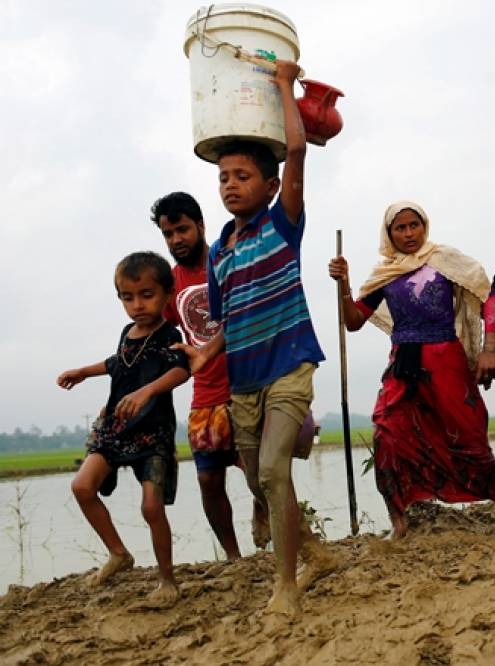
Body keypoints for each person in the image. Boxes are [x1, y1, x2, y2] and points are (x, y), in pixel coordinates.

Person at [175, 60, 332, 615]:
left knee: (272, 470)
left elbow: (297, 151)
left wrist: (285, 86)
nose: (231, 185)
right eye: (223, 178)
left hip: (290, 364)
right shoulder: (218, 254)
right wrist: (204, 352)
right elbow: (229, 319)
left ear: (269, 186)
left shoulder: (282, 223)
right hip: (243, 379)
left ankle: (286, 585)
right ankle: (315, 552)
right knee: (256, 479)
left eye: (242, 177)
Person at [327, 201, 495, 538]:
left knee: (469, 438)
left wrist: (490, 349)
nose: (408, 233)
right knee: (387, 435)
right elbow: (354, 322)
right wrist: (344, 285)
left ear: (424, 226)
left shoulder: (445, 261)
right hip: (403, 364)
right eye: (399, 228)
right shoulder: (386, 274)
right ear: (389, 234)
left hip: (446, 359)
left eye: (413, 225)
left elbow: (487, 296)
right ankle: (399, 520)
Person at [57, 252, 190, 608]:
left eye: (146, 295)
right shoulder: (126, 333)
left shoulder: (168, 334)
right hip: (115, 430)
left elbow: (181, 370)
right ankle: (118, 553)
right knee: (83, 486)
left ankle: (167, 580)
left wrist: (147, 391)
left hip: (152, 433)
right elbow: (119, 362)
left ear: (166, 294)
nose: (137, 305)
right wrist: (84, 372)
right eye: (128, 298)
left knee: (151, 507)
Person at [151, 192, 245, 560]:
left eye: (183, 230)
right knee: (208, 479)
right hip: (205, 393)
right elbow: (163, 339)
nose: (177, 239)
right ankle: (235, 557)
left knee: (259, 474)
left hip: (247, 382)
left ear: (201, 226)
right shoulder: (169, 287)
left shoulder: (227, 262)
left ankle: (269, 519)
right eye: (169, 233)